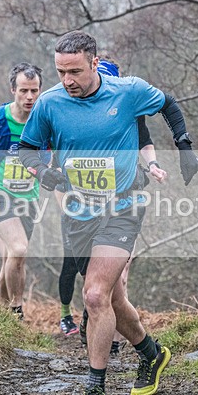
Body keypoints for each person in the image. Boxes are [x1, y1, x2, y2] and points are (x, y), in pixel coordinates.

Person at [19, 30, 198, 395]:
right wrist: (44, 173)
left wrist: (184, 147)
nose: (68, 80)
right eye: (61, 71)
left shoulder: (127, 91)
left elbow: (168, 104)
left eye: (75, 71)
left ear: (95, 63)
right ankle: (152, 354)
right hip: (78, 212)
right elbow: (26, 149)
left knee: (96, 295)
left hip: (123, 206)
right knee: (114, 299)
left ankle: (95, 388)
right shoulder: (50, 103)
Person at [56, 57, 167, 352]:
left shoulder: (127, 106)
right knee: (93, 282)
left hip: (123, 201)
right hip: (84, 208)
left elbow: (145, 140)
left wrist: (153, 165)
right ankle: (99, 324)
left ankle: (113, 340)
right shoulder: (72, 110)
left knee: (119, 274)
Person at [0, 63, 44, 321]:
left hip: (29, 200)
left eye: (34, 90)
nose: (29, 97)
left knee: (10, 258)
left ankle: (0, 320)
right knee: (19, 249)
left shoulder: (44, 122)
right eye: (23, 90)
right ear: (13, 89)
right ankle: (16, 312)